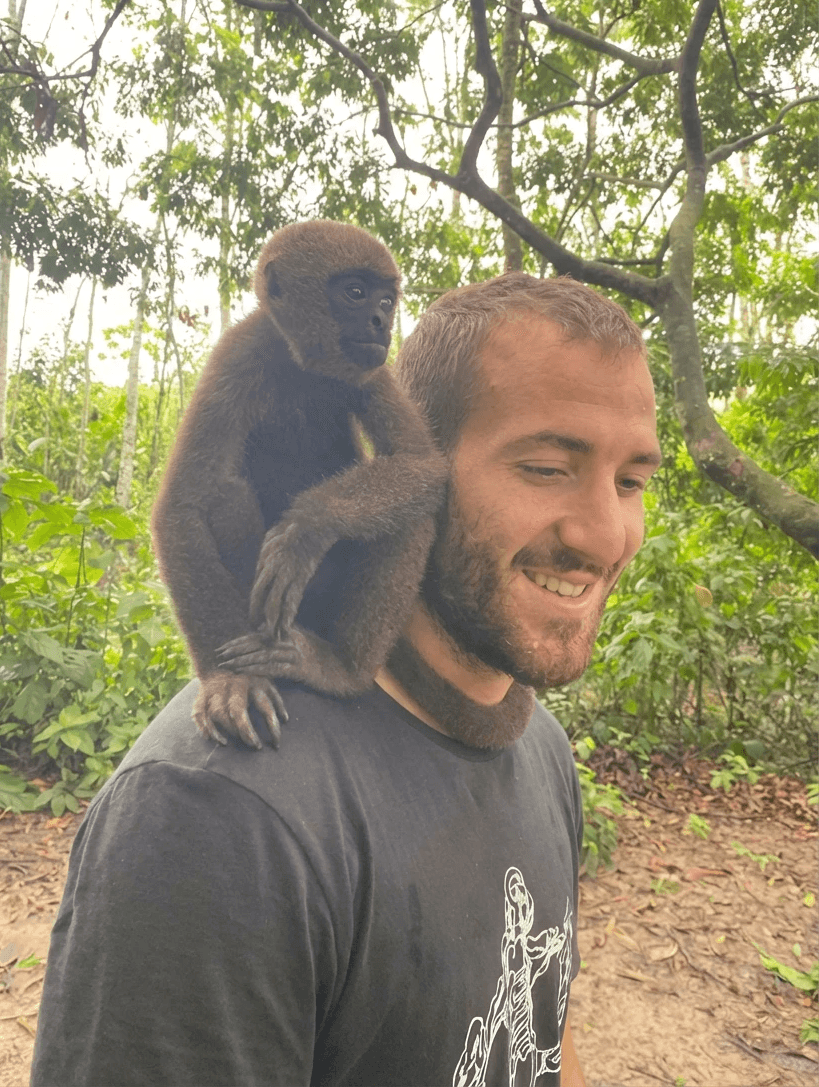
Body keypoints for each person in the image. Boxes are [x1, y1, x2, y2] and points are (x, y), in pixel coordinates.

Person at [30, 272, 660, 1087]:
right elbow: (184, 509)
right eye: (544, 467)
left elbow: (540, 1026)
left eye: (631, 481)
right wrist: (229, 657)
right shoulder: (219, 816)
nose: (606, 535)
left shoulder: (536, 743)